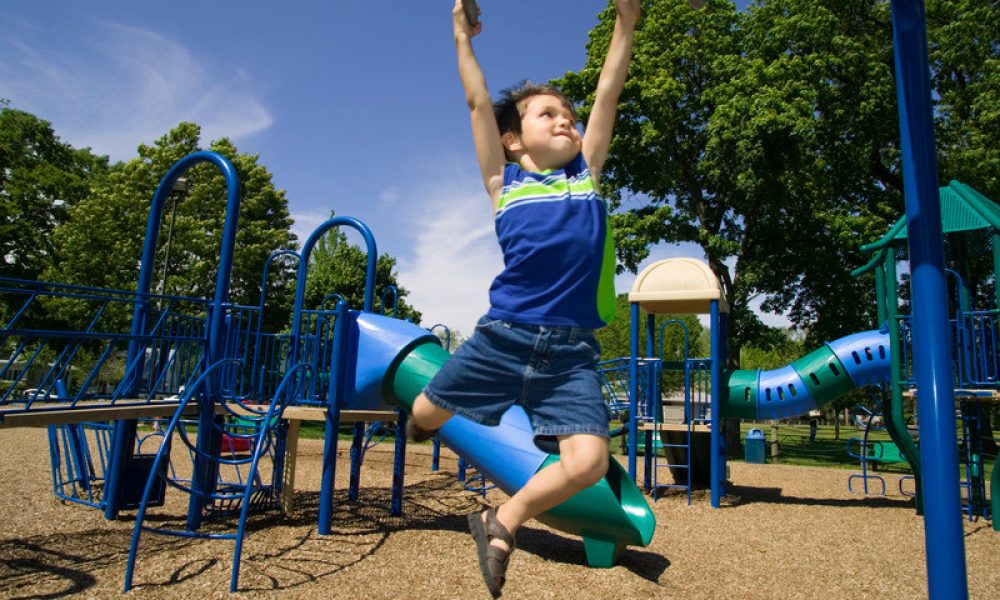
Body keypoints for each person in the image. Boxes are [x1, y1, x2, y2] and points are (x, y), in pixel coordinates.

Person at [408, 0, 639, 596]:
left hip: (570, 356)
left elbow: (609, 93)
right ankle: (415, 421)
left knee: (588, 463)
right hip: (502, 339)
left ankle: (501, 520)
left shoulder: (585, 176)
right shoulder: (502, 183)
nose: (565, 120)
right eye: (547, 114)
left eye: (569, 114)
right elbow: (478, 103)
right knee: (425, 416)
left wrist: (626, 22)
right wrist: (462, 37)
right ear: (512, 141)